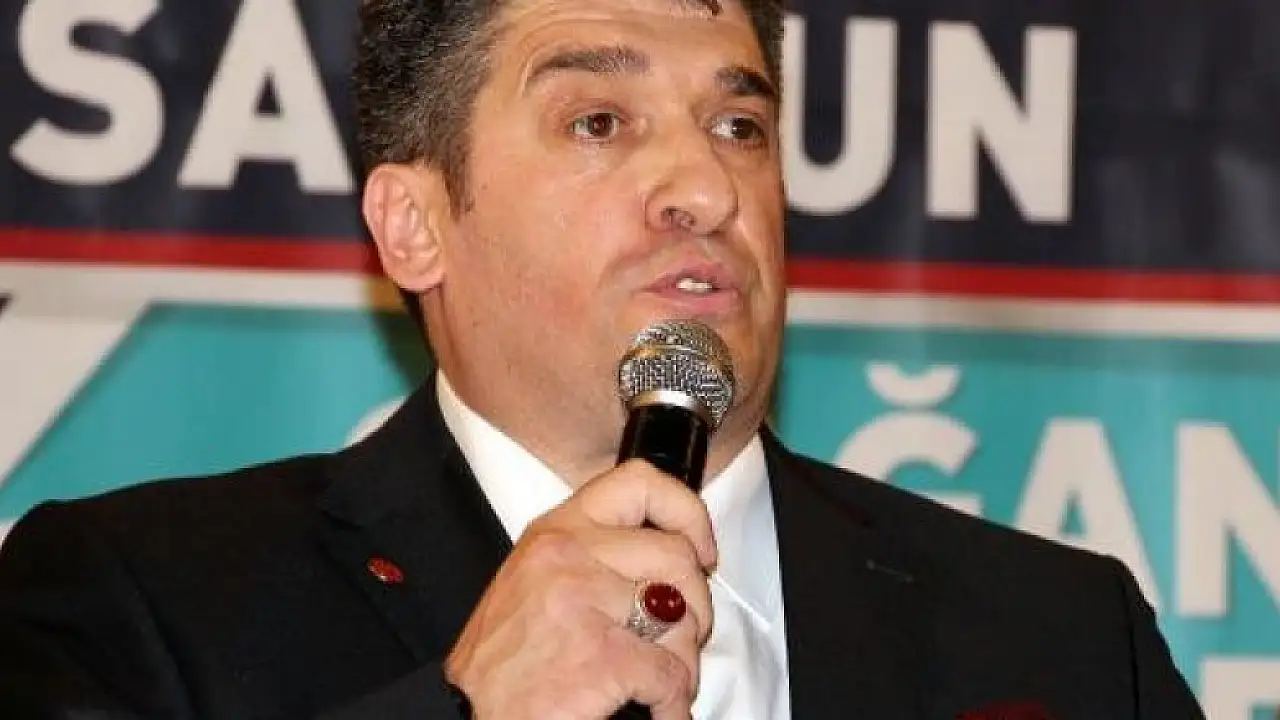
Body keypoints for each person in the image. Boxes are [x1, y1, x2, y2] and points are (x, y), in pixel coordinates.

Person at [0, 0, 1207, 717]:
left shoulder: (1059, 635)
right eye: (598, 122)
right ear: (414, 224)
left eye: (738, 125)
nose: (704, 188)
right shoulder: (141, 601)